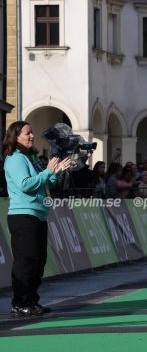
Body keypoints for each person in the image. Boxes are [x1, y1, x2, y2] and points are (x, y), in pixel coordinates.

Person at [2, 121, 72, 317]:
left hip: (37, 214)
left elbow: (44, 184)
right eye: (28, 133)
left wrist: (55, 173)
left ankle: (31, 301)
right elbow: (25, 185)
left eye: (32, 132)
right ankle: (20, 303)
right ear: (16, 137)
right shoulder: (15, 158)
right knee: (26, 261)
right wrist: (48, 171)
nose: (32, 136)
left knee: (38, 261)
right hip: (23, 215)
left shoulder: (30, 158)